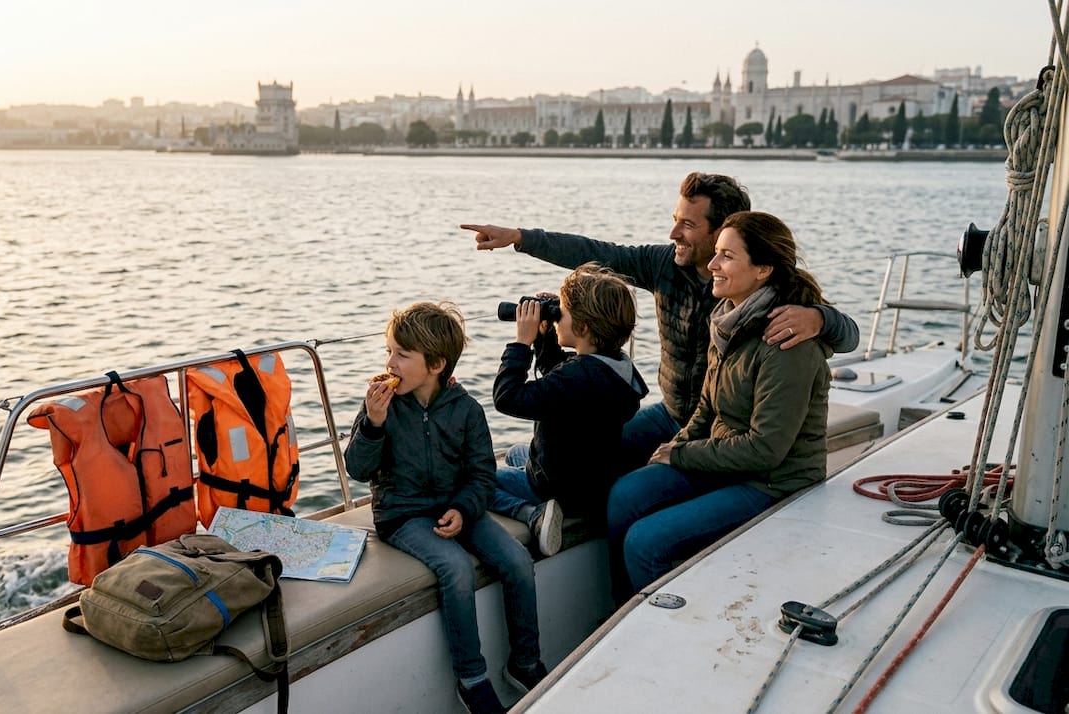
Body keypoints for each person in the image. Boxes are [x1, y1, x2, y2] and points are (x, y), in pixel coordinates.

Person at [461, 172, 857, 467]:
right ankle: (523, 461)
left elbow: (849, 335)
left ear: (724, 230)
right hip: (671, 413)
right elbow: (598, 252)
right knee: (581, 459)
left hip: (724, 431)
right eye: (675, 219)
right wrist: (520, 238)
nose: (673, 233)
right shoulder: (663, 265)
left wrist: (820, 318)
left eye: (688, 224)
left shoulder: (764, 289)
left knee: (613, 475)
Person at [606, 211, 832, 600]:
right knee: (626, 493)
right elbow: (708, 406)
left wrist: (683, 456)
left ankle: (654, 630)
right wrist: (680, 444)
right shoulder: (729, 320)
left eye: (726, 256)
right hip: (731, 461)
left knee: (645, 541)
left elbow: (766, 449)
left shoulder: (786, 344)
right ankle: (622, 607)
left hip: (772, 481)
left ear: (762, 269)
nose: (711, 264)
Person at [343, 301, 547, 714]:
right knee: (454, 568)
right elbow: (357, 469)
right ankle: (472, 679)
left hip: (458, 508)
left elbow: (481, 475)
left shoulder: (465, 409)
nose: (390, 362)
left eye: (401, 354)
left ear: (436, 364)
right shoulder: (379, 406)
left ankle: (524, 663)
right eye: (389, 351)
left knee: (516, 559)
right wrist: (373, 424)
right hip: (402, 514)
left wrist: (464, 509)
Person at [490, 263, 648, 558]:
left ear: (583, 327)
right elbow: (560, 381)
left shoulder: (578, 378)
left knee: (473, 477)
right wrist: (547, 336)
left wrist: (522, 343)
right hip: (591, 478)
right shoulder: (615, 367)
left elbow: (508, 397)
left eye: (560, 312)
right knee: (515, 453)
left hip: (558, 487)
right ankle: (529, 491)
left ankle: (533, 514)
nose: (556, 317)